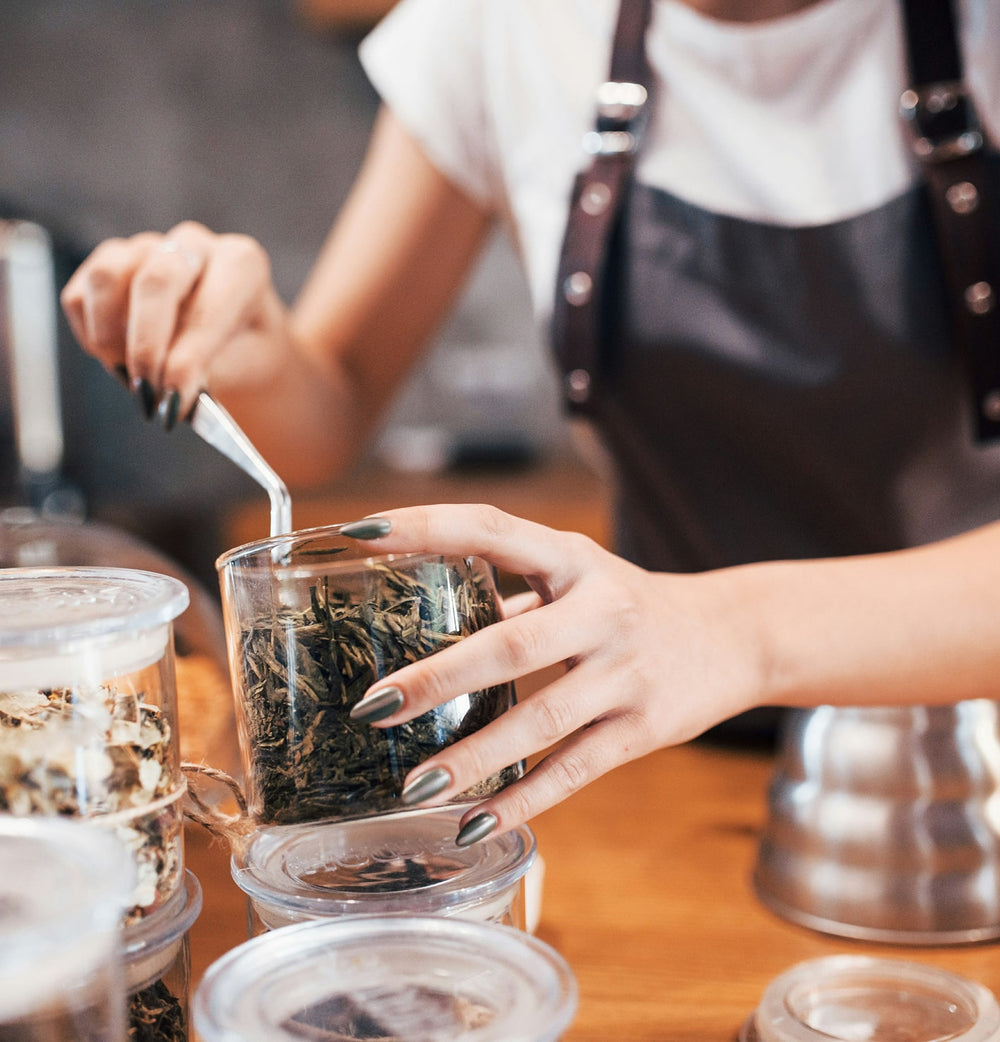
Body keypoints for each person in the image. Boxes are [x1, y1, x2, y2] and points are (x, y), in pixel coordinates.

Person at [61, 0, 1000, 848]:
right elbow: (327, 412)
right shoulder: (502, 25)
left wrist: (732, 631)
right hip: (656, 742)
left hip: (975, 752)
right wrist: (253, 346)